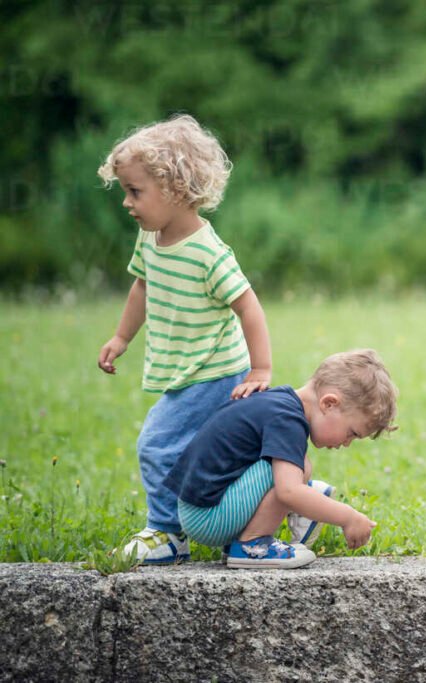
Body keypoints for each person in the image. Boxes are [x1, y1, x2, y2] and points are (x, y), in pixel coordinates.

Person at [96, 114, 272, 563]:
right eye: (125, 191)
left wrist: (261, 368)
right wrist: (121, 337)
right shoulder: (151, 238)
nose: (127, 202)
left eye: (135, 191)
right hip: (185, 370)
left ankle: (167, 533)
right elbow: (143, 285)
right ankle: (292, 496)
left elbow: (248, 305)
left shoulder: (207, 253)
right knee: (216, 451)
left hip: (213, 371)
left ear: (176, 188)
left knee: (156, 444)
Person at [164, 349, 398, 569]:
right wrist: (348, 517)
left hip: (198, 509)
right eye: (352, 433)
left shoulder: (279, 402)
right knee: (297, 472)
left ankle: (301, 508)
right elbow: (288, 491)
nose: (346, 443)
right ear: (329, 403)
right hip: (207, 518)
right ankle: (252, 545)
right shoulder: (287, 420)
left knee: (293, 467)